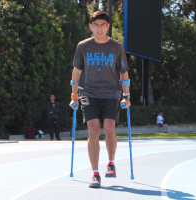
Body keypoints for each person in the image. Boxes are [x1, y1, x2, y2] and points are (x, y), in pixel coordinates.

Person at [69, 11, 131, 188]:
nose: (99, 29)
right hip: (88, 92)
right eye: (96, 25)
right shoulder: (83, 46)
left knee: (109, 127)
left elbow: (123, 72)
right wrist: (74, 96)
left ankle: (111, 163)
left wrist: (126, 95)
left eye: (103, 25)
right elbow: (76, 72)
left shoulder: (117, 47)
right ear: (91, 27)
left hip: (111, 92)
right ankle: (95, 174)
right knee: (93, 130)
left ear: (108, 26)